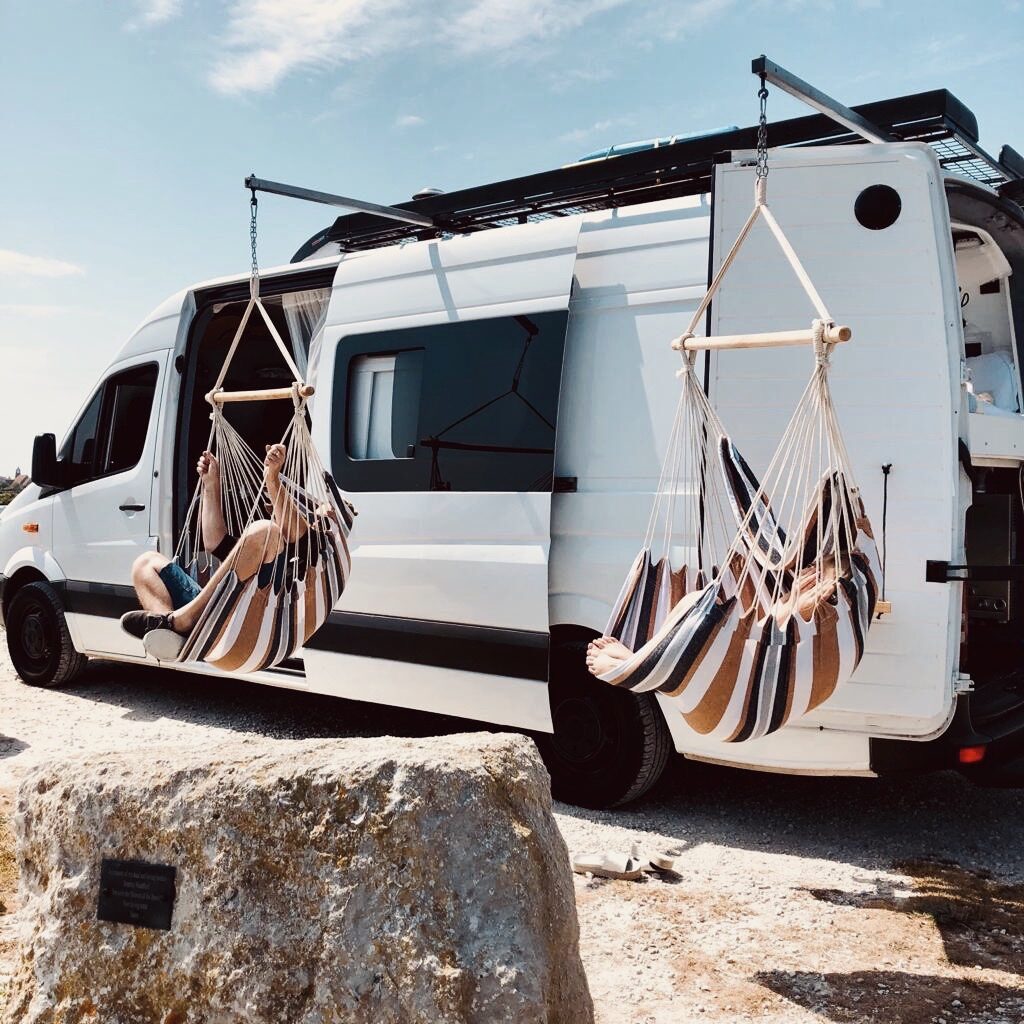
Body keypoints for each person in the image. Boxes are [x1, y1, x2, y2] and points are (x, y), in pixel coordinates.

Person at [120, 442, 309, 655]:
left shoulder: (305, 548)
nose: (272, 507)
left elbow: (296, 531)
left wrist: (272, 479)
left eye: (276, 503)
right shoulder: (252, 548)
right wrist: (211, 484)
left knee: (265, 530)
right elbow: (214, 542)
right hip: (214, 615)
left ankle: (182, 621)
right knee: (145, 562)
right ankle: (168, 630)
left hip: (254, 622)